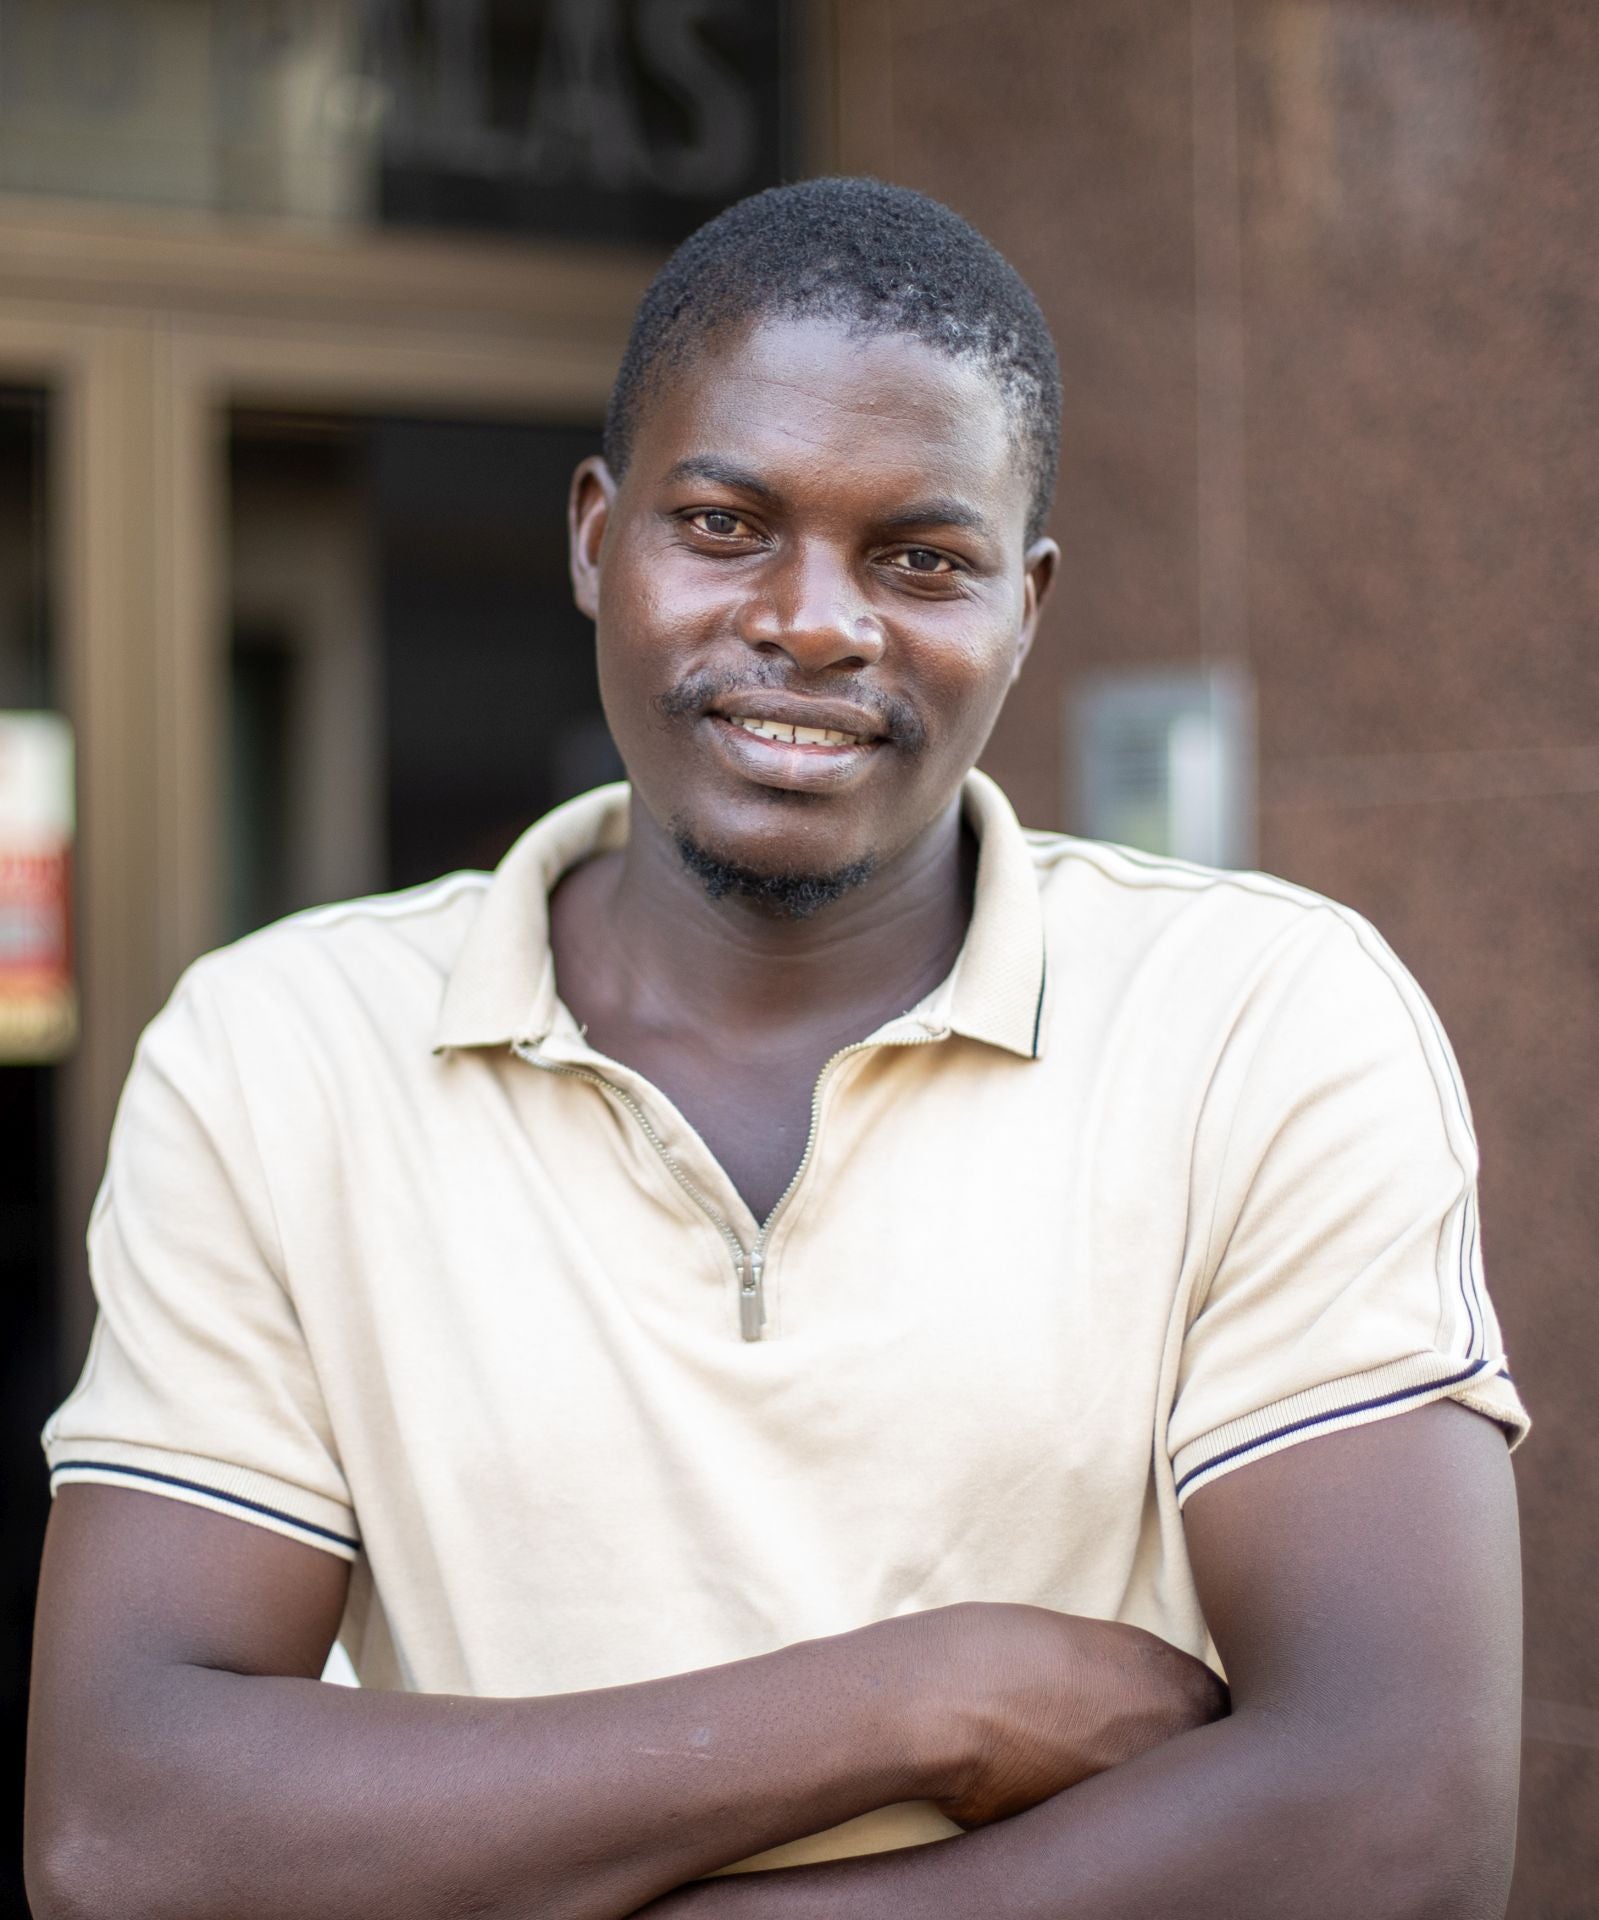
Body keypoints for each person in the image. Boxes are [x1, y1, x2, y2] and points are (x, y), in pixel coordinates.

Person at [26, 179, 1527, 1920]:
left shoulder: (1266, 1022)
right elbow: (127, 1832)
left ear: (1026, 606)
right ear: (598, 538)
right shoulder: (277, 1054)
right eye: (729, 524)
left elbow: (1397, 1825)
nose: (818, 620)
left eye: (923, 557)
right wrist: (924, 1700)